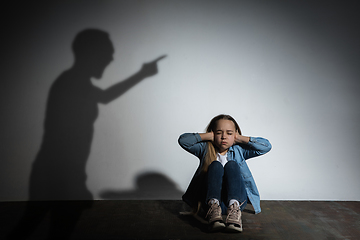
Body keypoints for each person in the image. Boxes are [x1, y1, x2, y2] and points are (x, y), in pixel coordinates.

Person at [178, 114, 271, 232]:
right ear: (212, 134)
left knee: (231, 165)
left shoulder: (239, 150)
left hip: (235, 204)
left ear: (235, 134)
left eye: (229, 133)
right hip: (210, 204)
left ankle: (234, 211)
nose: (223, 137)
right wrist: (208, 136)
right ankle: (214, 211)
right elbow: (183, 140)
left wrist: (240, 138)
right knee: (215, 165)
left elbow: (266, 146)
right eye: (218, 133)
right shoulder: (205, 149)